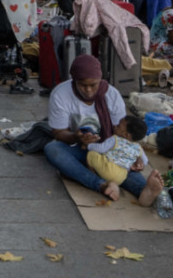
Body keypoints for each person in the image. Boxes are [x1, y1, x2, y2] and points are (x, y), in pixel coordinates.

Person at [44, 54, 144, 199]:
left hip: (111, 150)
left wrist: (136, 156)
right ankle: (101, 185)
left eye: (93, 85)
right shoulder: (60, 94)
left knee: (134, 179)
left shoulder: (112, 95)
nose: (88, 90)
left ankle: (147, 192)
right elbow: (59, 133)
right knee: (52, 149)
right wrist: (76, 137)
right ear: (74, 80)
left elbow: (123, 134)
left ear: (100, 80)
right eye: (83, 85)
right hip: (78, 148)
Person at [86, 115, 159, 206]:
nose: (115, 126)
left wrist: (88, 145)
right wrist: (137, 164)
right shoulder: (138, 147)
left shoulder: (115, 139)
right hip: (121, 176)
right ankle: (115, 184)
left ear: (125, 135)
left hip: (108, 169)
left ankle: (97, 177)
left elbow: (101, 149)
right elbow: (145, 161)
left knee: (91, 154)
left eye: (118, 126)